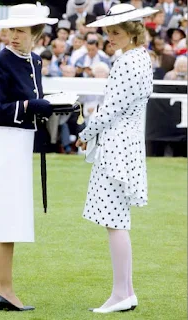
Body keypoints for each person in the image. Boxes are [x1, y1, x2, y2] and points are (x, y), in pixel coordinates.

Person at [76, 3, 158, 313]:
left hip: (119, 146)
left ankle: (121, 294)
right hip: (124, 143)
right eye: (109, 31)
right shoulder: (136, 58)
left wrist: (85, 130)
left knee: (115, 221)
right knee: (116, 221)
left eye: (116, 32)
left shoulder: (130, 62)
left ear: (133, 32)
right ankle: (126, 292)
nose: (111, 36)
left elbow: (112, 109)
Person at [0, 3, 58, 312]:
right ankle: (6, 292)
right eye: (11, 30)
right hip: (5, 142)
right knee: (4, 220)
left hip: (22, 142)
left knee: (0, 219)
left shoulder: (34, 60)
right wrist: (29, 106)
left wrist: (49, 105)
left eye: (20, 31)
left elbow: (36, 98)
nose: (13, 36)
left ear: (36, 34)